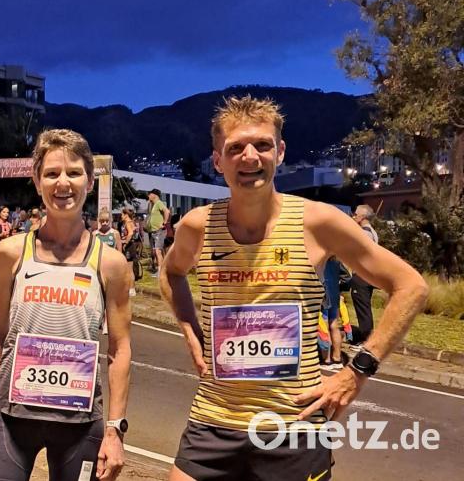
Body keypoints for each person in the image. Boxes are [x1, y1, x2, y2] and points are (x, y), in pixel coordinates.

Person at [160, 96, 428, 481]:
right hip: (214, 418)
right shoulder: (197, 226)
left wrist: (356, 372)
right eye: (235, 148)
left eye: (262, 145)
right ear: (217, 160)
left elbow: (411, 286)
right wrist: (188, 328)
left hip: (294, 423)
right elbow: (171, 274)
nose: (249, 157)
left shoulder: (317, 222)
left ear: (280, 152)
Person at [0, 129, 131, 481]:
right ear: (37, 182)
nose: (63, 183)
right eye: (52, 173)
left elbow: (120, 349)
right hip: (13, 418)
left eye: (74, 173)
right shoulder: (11, 253)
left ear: (90, 181)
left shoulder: (111, 264)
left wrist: (114, 431)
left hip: (79, 423)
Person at [349, 204, 380, 344]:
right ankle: (366, 337)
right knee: (365, 307)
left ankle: (365, 340)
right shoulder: (372, 232)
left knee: (363, 309)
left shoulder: (364, 233)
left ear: (362, 217)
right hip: (368, 276)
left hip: (361, 276)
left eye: (355, 214)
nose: (353, 216)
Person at [144, 189, 170, 275]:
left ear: (154, 195)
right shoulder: (153, 205)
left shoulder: (159, 203)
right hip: (153, 231)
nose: (148, 196)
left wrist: (164, 223)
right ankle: (160, 270)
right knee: (157, 251)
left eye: (149, 194)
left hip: (159, 231)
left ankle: (161, 272)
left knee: (158, 251)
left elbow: (167, 211)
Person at [119, 208, 140, 296]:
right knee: (127, 269)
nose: (121, 216)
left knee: (129, 269)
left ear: (126, 215)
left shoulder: (128, 222)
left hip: (129, 247)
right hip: (129, 246)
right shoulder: (130, 222)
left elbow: (131, 233)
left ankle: (132, 288)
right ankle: (128, 287)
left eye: (122, 214)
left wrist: (125, 242)